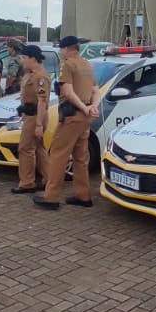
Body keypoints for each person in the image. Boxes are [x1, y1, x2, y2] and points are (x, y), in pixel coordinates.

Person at [33, 35, 99, 210]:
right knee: (80, 157)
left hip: (72, 116)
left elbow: (68, 92)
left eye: (61, 49)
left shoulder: (67, 64)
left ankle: (51, 196)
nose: (60, 52)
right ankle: (83, 195)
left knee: (58, 154)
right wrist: (92, 107)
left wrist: (84, 108)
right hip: (84, 118)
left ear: (67, 48)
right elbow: (95, 89)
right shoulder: (87, 64)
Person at [12, 45, 50, 194]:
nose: (22, 61)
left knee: (25, 148)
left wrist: (39, 124)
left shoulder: (40, 77)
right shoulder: (30, 74)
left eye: (24, 58)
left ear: (32, 58)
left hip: (35, 116)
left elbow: (42, 101)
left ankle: (27, 183)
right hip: (30, 115)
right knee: (39, 149)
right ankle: (49, 179)